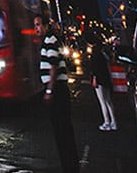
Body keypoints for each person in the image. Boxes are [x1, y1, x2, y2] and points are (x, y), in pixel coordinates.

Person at [36, 14, 78, 173]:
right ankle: (70, 165)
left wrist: (49, 91)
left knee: (62, 131)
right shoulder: (50, 40)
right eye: (35, 25)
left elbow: (53, 67)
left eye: (39, 24)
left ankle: (70, 167)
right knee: (62, 131)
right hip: (57, 90)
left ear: (46, 25)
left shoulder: (50, 40)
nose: (36, 28)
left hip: (57, 91)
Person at [89, 33, 118, 132]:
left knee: (102, 102)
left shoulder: (94, 52)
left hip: (99, 79)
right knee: (109, 101)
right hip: (106, 78)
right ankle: (114, 122)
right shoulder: (103, 51)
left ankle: (106, 122)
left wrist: (94, 78)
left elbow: (94, 67)